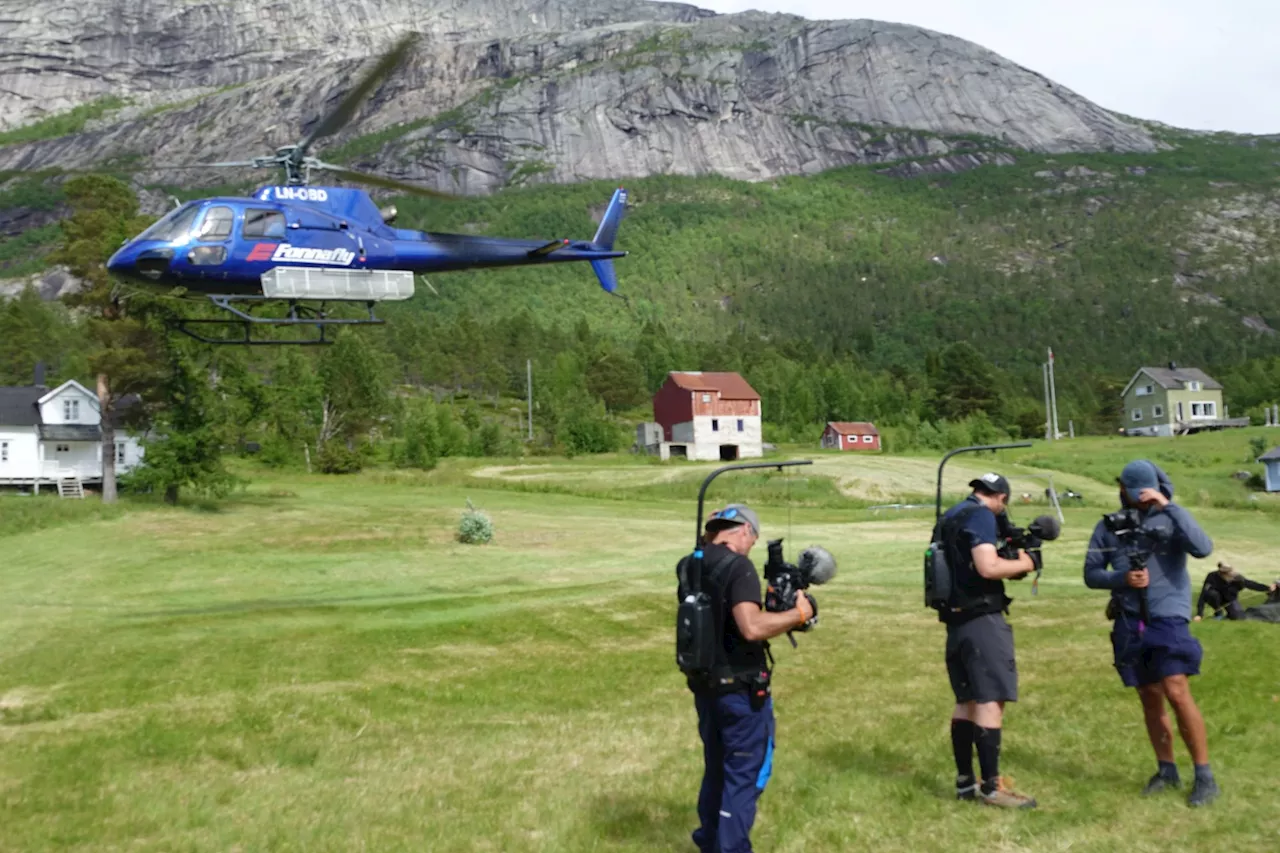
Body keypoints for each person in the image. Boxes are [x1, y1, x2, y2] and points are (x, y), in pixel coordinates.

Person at [676, 503, 816, 853]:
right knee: (744, 776)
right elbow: (751, 627)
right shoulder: (738, 567)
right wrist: (798, 613)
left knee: (718, 768)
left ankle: (709, 840)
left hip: (706, 686)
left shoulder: (689, 564)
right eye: (752, 539)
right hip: (741, 691)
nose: (751, 546)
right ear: (742, 531)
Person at [1083, 459, 1219, 807]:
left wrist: (1168, 507)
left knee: (1176, 689)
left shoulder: (1171, 517)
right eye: (1133, 495)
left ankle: (1204, 776)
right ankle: (1166, 769)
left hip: (1168, 616)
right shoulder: (1110, 526)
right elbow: (1091, 573)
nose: (1138, 501)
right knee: (1148, 694)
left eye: (1144, 495)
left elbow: (1203, 548)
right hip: (1129, 619)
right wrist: (1122, 579)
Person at [935, 472, 1039, 808]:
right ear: (1002, 499)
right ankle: (992, 787)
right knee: (990, 698)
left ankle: (966, 782)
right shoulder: (982, 515)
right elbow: (987, 566)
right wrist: (1025, 562)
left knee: (965, 700)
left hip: (956, 621)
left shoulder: (950, 516)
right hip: (982, 619)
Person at [1195, 562, 1277, 621]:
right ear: (1222, 574)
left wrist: (1267, 588)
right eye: (1229, 574)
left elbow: (1251, 584)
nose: (1232, 575)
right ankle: (1218, 612)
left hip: (1230, 599)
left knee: (1238, 617)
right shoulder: (1212, 576)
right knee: (1211, 594)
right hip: (1217, 597)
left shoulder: (1237, 578)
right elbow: (1203, 594)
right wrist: (1199, 614)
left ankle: (1229, 615)